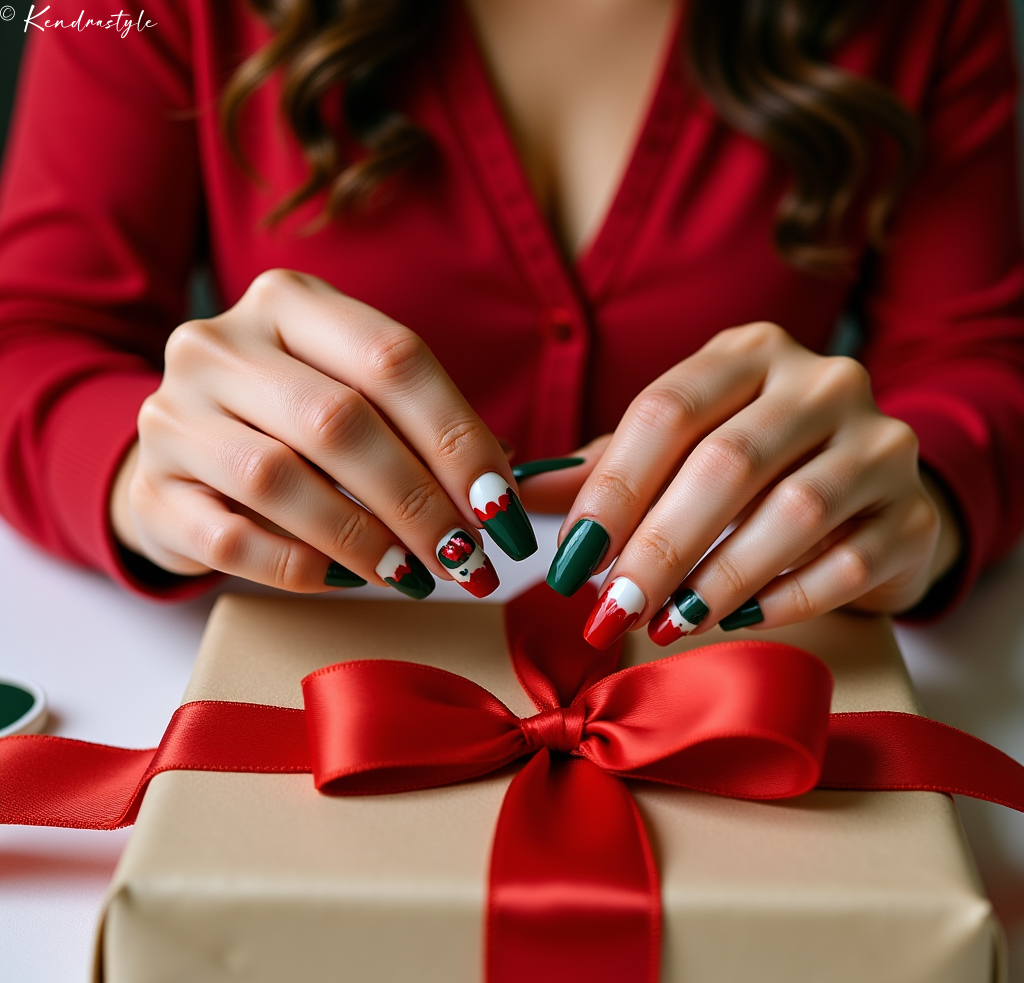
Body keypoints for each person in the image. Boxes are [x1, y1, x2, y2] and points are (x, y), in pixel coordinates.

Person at [0, 0, 1021, 653]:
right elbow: (32, 327)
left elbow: (979, 357)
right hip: (275, 660)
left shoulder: (925, 17)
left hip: (759, 667)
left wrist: (917, 495)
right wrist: (140, 472)